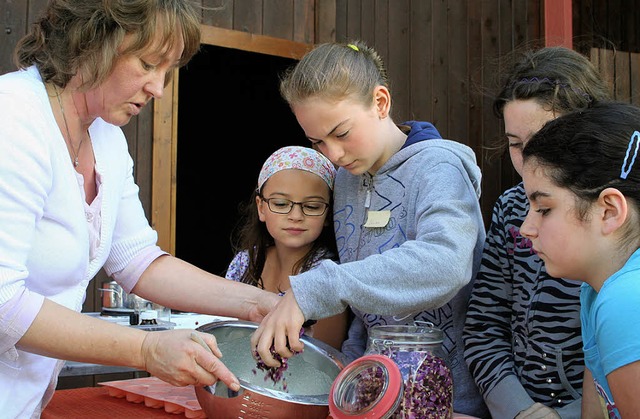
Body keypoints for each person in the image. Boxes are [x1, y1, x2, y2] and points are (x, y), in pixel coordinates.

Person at [0, 1, 280, 417]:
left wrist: (257, 304)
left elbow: (137, 260)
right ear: (93, 41)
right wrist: (147, 349)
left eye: (167, 71)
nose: (159, 88)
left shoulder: (107, 138)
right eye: (149, 64)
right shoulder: (13, 119)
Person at [251, 40, 489, 417]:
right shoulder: (346, 180)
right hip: (371, 395)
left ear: (380, 103)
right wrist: (344, 380)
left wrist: (316, 288)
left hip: (448, 400)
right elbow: (365, 308)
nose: (334, 154)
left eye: (341, 133)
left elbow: (447, 262)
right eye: (317, 141)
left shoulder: (438, 168)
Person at [462, 46, 612, 419]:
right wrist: (518, 409)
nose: (529, 158)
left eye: (546, 138)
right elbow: (483, 325)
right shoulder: (509, 208)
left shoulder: (617, 215)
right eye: (516, 144)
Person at [519, 101, 640, 418]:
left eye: (543, 209)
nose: (525, 229)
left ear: (609, 211)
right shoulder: (596, 290)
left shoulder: (626, 300)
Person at [226, 145, 349, 350]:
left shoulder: (327, 276)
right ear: (261, 207)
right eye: (281, 204)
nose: (295, 216)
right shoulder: (244, 262)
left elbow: (322, 359)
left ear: (328, 214)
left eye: (312, 206)